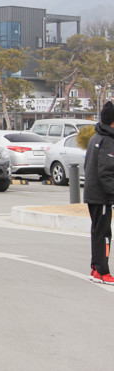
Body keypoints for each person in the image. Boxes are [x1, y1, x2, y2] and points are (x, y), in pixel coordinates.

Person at [84, 101, 114, 285]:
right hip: (101, 196)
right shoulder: (109, 140)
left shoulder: (96, 137)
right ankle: (103, 272)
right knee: (103, 233)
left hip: (93, 193)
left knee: (98, 232)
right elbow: (106, 172)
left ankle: (95, 269)